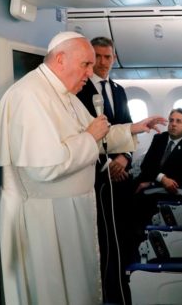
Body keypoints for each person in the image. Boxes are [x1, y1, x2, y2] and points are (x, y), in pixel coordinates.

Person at [0, 31, 166, 305]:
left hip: (67, 211)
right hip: (44, 218)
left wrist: (133, 127)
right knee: (51, 292)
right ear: (60, 59)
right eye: (87, 65)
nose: (91, 73)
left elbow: (97, 133)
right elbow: (43, 168)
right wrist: (90, 136)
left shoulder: (65, 94)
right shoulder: (28, 96)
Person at [76, 36, 134, 303]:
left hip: (120, 175)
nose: (102, 62)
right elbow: (80, 134)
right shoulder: (80, 91)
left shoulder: (119, 90)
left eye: (107, 57)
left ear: (114, 58)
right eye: (97, 57)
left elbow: (129, 128)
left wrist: (124, 158)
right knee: (101, 238)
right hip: (97, 177)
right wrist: (106, 164)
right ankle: (103, 291)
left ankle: (122, 282)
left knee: (121, 233)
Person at [132, 108, 182, 235]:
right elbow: (146, 165)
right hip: (147, 179)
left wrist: (152, 183)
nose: (173, 124)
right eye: (171, 120)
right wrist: (161, 178)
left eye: (178, 121)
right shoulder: (159, 138)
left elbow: (179, 180)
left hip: (162, 191)